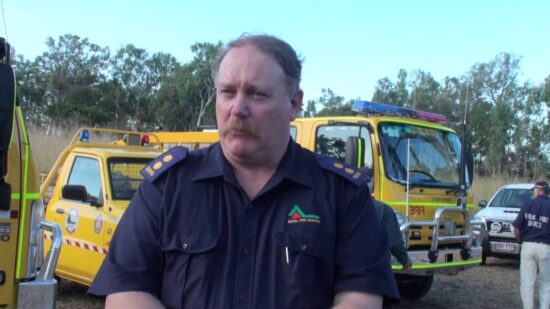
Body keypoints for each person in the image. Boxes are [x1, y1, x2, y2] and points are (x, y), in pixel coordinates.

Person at [88, 34, 399, 308]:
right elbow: (125, 291)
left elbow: (361, 296)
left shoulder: (342, 194)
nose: (237, 108)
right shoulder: (167, 187)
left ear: (294, 103)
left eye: (256, 94)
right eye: (227, 92)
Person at [512, 180, 550, 309]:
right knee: (545, 284)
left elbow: (516, 228)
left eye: (534, 190)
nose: (533, 192)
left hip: (528, 245)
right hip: (546, 247)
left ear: (539, 190)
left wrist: (520, 240)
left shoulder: (528, 204)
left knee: (527, 283)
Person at [373, 199, 413, 270]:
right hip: (375, 271)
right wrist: (405, 260)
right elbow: (394, 242)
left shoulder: (347, 208)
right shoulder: (382, 209)